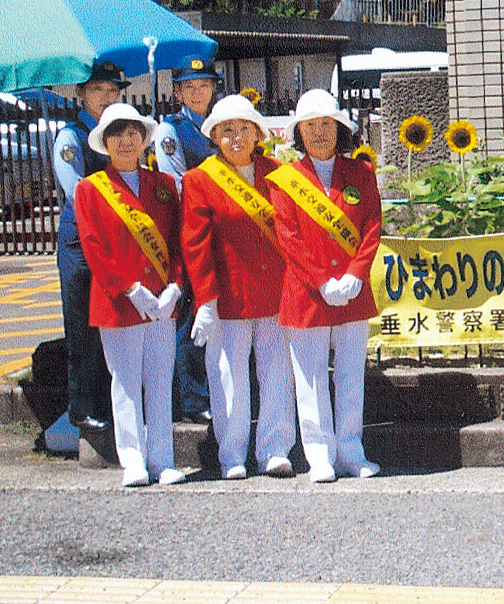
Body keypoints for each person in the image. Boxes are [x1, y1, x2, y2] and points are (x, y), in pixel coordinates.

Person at [269, 89, 383, 483]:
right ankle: (319, 455)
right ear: (299, 132)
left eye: (326, 124)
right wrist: (323, 280)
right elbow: (288, 236)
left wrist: (354, 274)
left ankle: (352, 451)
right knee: (311, 378)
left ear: (339, 129)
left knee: (351, 375)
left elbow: (371, 227)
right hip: (306, 293)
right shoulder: (283, 180)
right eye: (311, 125)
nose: (319, 132)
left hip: (353, 291)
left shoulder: (361, 174)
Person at [181, 94, 296, 480]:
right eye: (226, 130)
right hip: (227, 296)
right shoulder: (199, 179)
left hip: (275, 291)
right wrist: (205, 301)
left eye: (243, 129)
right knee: (228, 375)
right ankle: (232, 454)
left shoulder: (276, 172)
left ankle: (275, 449)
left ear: (257, 133)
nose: (235, 137)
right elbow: (195, 245)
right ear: (213, 136)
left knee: (277, 371)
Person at [73, 103, 186, 487]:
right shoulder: (90, 189)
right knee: (124, 384)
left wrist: (175, 287)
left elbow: (176, 243)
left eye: (133, 132)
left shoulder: (165, 186)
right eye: (117, 133)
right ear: (105, 142)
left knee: (159, 381)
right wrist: (130, 288)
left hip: (162, 302)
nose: (126, 140)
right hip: (119, 302)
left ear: (144, 139)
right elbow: (93, 247)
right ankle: (133, 460)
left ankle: (163, 458)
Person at [52, 61, 128, 434]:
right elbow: (77, 192)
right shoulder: (71, 137)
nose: (107, 98)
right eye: (99, 90)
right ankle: (82, 407)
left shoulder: (126, 133)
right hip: (82, 239)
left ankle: (112, 405)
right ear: (80, 93)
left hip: (117, 240)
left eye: (114, 92)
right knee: (83, 324)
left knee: (114, 324)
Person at [152, 60, 220, 422]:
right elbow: (176, 185)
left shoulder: (220, 125)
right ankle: (194, 400)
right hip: (191, 231)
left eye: (203, 85)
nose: (197, 93)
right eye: (189, 87)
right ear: (177, 92)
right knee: (193, 316)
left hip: (222, 233)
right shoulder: (172, 131)